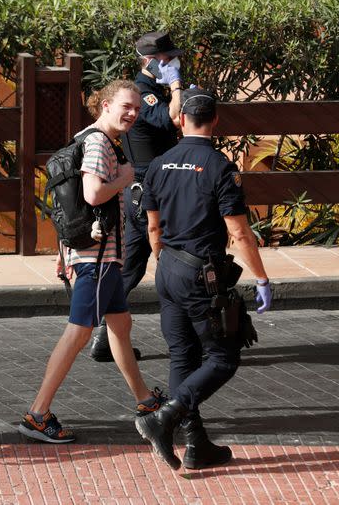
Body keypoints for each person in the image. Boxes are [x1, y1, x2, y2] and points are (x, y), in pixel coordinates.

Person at [18, 80, 165, 443]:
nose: (132, 113)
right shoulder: (99, 141)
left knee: (120, 324)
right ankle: (38, 413)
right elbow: (92, 192)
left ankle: (145, 400)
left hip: (99, 255)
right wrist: (126, 177)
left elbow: (74, 205)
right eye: (125, 107)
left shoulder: (87, 137)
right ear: (105, 106)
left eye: (136, 108)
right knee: (78, 332)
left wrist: (63, 250)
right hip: (97, 258)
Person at [134, 88, 273, 470]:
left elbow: (153, 227)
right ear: (215, 121)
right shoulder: (219, 167)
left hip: (167, 268)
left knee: (183, 355)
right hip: (199, 272)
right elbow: (240, 232)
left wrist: (165, 263)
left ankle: (196, 445)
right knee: (223, 359)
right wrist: (260, 277)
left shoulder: (160, 164)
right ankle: (163, 417)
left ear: (180, 120)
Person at [89, 31, 184, 362]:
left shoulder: (148, 91)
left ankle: (102, 336)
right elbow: (174, 117)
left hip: (144, 193)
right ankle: (182, 341)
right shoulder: (145, 94)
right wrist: (176, 86)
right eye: (167, 60)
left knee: (131, 267)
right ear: (150, 62)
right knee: (174, 261)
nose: (173, 64)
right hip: (151, 194)